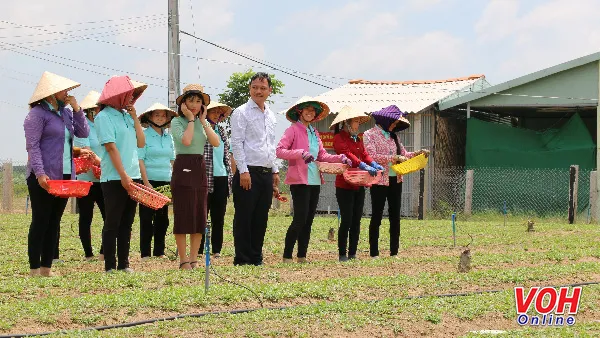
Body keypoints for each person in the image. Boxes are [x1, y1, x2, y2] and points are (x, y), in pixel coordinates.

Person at [24, 71, 90, 277]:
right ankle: (34, 268)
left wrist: (77, 109)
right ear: (52, 94)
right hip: (43, 176)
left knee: (54, 221)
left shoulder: (66, 113)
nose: (68, 94)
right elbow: (32, 147)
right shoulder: (36, 115)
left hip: (64, 176)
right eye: (65, 91)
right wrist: (40, 173)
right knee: (41, 220)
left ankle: (46, 268)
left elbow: (83, 133)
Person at [276, 97, 352, 263]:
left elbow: (322, 155)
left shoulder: (314, 132)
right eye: (307, 110)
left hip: (315, 180)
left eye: (313, 110)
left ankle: (302, 255)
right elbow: (280, 151)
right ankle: (287, 255)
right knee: (300, 219)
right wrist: (300, 153)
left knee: (309, 219)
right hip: (299, 181)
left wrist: (341, 158)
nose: (310, 113)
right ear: (299, 112)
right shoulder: (292, 130)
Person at [95, 76, 147, 273]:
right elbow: (110, 147)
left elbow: (141, 143)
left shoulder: (126, 116)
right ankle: (109, 265)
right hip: (114, 177)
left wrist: (134, 118)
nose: (131, 98)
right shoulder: (103, 117)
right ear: (118, 95)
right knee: (113, 222)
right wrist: (123, 176)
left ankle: (124, 264)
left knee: (127, 222)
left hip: (132, 174)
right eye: (129, 94)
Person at [363, 105, 428, 258]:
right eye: (393, 122)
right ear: (385, 120)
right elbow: (371, 156)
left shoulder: (394, 137)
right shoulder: (369, 135)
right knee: (377, 216)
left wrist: (419, 153)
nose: (394, 125)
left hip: (396, 179)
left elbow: (404, 154)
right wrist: (393, 158)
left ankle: (394, 251)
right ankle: (374, 252)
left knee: (395, 216)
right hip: (379, 180)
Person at [230, 72, 280, 266]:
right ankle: (242, 259)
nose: (258, 91)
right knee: (244, 216)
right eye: (255, 87)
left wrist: (275, 170)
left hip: (266, 172)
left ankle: (256, 257)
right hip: (247, 171)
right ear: (250, 88)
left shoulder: (271, 114)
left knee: (261, 217)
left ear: (269, 90)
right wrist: (242, 171)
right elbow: (237, 143)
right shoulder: (241, 112)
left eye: (262, 88)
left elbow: (271, 144)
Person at [170, 84, 220, 270]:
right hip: (183, 166)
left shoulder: (203, 122)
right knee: (183, 214)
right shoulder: (176, 122)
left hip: (200, 168)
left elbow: (215, 142)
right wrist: (191, 120)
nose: (194, 104)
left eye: (199, 101)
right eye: (191, 100)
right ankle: (183, 260)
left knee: (199, 214)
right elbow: (186, 141)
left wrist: (203, 121)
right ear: (183, 103)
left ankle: (193, 259)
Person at [331, 105, 384, 262]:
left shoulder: (358, 138)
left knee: (356, 219)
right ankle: (342, 253)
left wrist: (373, 163)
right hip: (344, 184)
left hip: (359, 183)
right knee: (346, 219)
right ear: (347, 123)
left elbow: (365, 154)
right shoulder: (339, 138)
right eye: (355, 122)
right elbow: (347, 154)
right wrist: (362, 165)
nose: (358, 125)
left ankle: (353, 253)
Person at [137, 103, 177, 261]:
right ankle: (145, 253)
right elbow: (140, 159)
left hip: (165, 181)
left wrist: (174, 181)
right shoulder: (144, 135)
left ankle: (159, 251)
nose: (160, 118)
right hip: (148, 180)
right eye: (157, 115)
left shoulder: (169, 137)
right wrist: (146, 182)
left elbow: (173, 160)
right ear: (150, 117)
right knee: (146, 218)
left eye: (163, 115)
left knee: (163, 218)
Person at [199, 101, 235, 259]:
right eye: (213, 111)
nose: (216, 114)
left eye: (219, 112)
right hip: (204, 176)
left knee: (218, 216)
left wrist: (230, 176)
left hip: (222, 176)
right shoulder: (200, 129)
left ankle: (216, 250)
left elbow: (227, 155)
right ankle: (198, 249)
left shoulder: (221, 130)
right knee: (201, 215)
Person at [73, 90, 105, 261]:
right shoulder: (82, 126)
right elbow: (85, 150)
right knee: (86, 216)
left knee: (108, 216)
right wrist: (99, 162)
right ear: (90, 110)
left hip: (104, 177)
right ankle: (88, 254)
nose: (99, 111)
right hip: (86, 179)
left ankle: (103, 251)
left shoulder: (105, 125)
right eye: (96, 108)